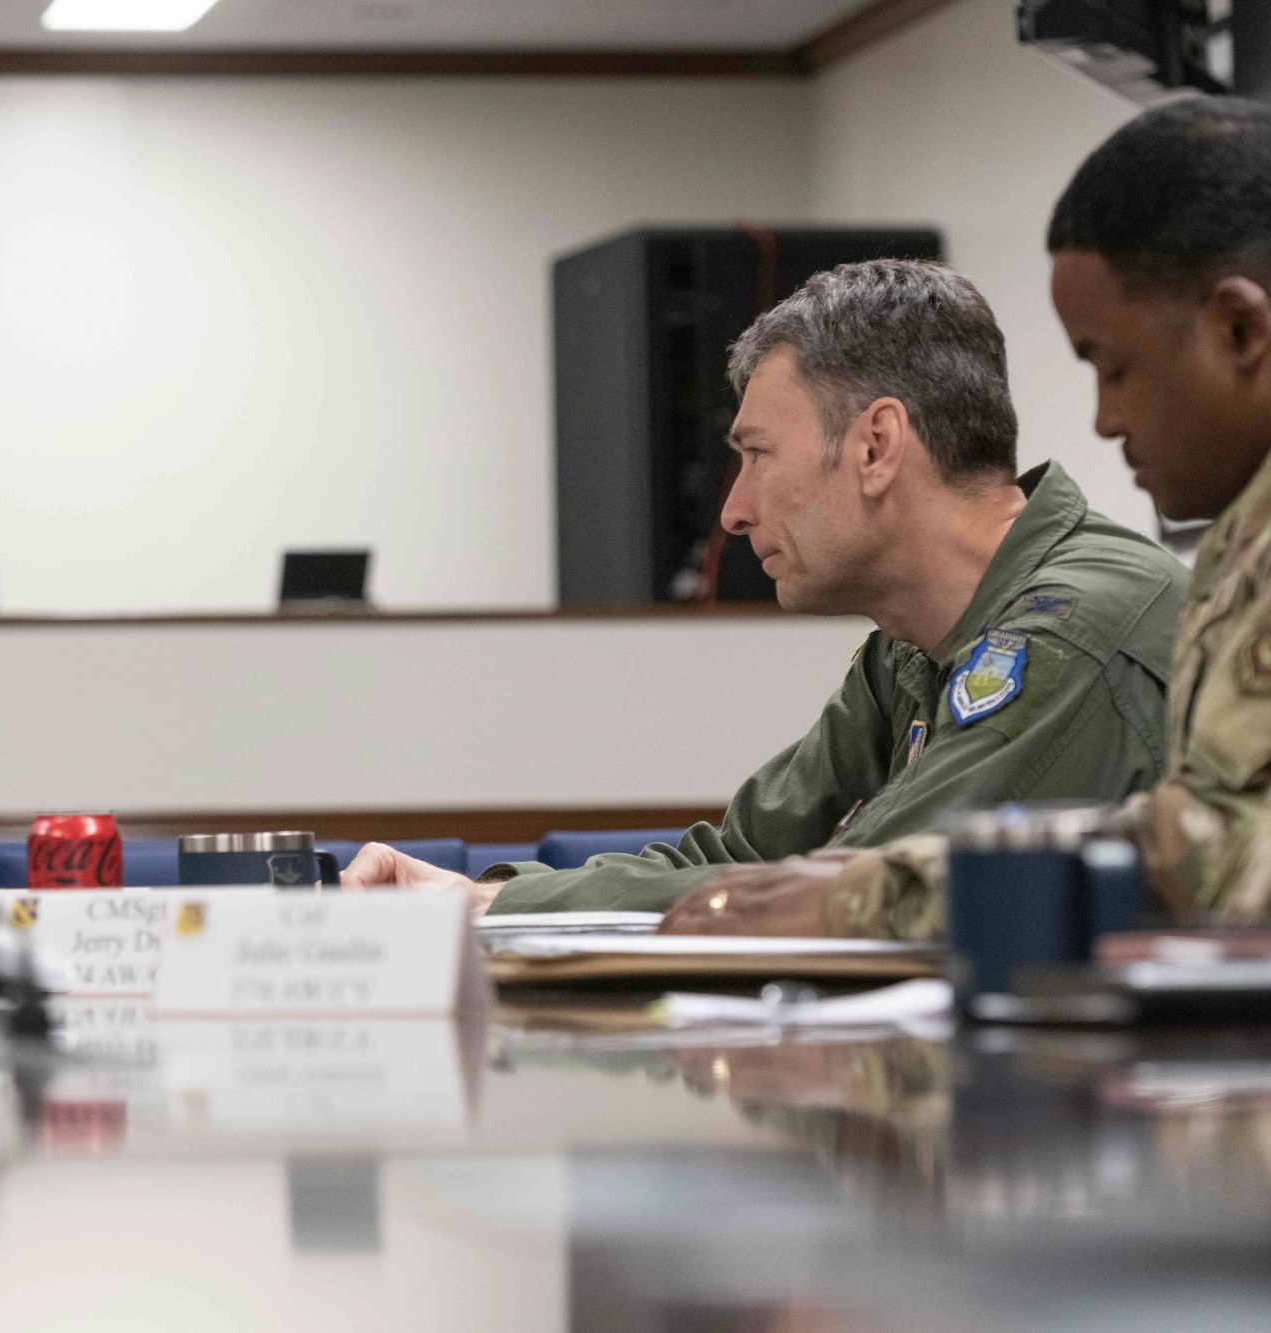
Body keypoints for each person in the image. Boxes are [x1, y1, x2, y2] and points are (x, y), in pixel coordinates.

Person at [343, 260, 1187, 916]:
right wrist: (479, 895)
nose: (734, 511)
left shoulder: (1071, 635)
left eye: (756, 455)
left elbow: (844, 901)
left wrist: (489, 902)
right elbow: (737, 857)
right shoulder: (911, 643)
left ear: (875, 445)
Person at [662, 96, 1271, 938]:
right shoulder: (1241, 548)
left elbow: (1223, 856)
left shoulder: (1087, 624)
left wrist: (861, 894)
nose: (1101, 420)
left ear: (1241, 329)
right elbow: (1197, 842)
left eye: (1116, 367)